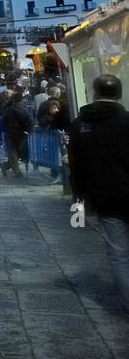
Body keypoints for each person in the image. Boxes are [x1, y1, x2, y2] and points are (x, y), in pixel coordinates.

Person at [68, 75, 129, 315]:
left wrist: (79, 202)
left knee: (119, 253)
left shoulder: (80, 124)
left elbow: (76, 165)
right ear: (119, 93)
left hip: (105, 195)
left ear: (93, 92)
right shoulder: (126, 121)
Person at [1, 90, 33, 177]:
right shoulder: (24, 109)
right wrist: (28, 131)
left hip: (9, 133)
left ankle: (5, 166)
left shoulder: (8, 109)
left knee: (14, 152)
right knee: (17, 152)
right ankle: (17, 172)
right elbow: (30, 122)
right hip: (21, 134)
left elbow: (3, 121)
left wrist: (4, 131)